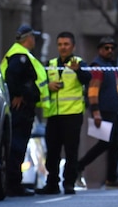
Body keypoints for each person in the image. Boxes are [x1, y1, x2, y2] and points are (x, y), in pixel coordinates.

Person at [38, 32, 92, 195]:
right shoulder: (51, 64)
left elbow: (87, 78)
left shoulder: (79, 63)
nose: (63, 47)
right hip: (53, 115)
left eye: (66, 44)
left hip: (72, 114)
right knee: (52, 151)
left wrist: (78, 71)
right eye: (60, 44)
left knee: (71, 151)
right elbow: (41, 83)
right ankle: (52, 183)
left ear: (73, 46)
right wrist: (49, 85)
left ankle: (69, 183)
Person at [0, 24, 50, 197]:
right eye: (33, 37)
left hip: (22, 108)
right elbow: (12, 78)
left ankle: (14, 183)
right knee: (17, 146)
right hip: (20, 109)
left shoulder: (19, 54)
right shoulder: (19, 56)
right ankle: (13, 184)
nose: (34, 40)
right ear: (28, 38)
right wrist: (19, 94)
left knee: (18, 145)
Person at [75, 37, 118, 189]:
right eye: (106, 48)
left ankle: (111, 179)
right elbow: (92, 91)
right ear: (100, 50)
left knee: (115, 144)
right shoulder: (98, 66)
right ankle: (79, 166)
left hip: (113, 110)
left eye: (112, 48)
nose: (110, 50)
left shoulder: (110, 65)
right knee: (105, 143)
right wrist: (96, 111)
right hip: (103, 111)